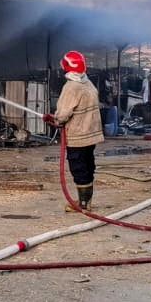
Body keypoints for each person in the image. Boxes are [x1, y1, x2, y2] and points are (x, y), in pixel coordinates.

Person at [43, 50, 104, 212]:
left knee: (78, 167)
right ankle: (87, 200)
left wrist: (55, 119)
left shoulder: (71, 87)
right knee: (88, 165)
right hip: (91, 135)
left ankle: (83, 204)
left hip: (78, 135)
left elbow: (63, 115)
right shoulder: (88, 83)